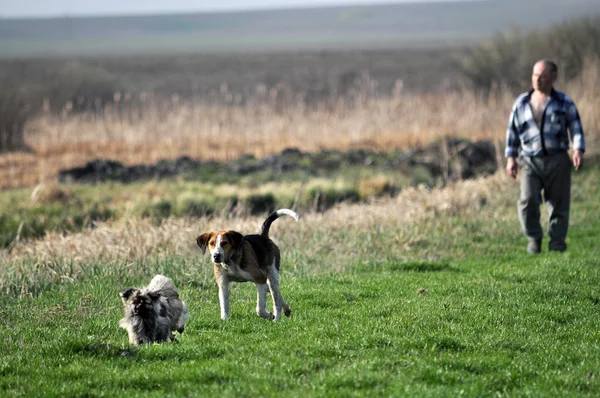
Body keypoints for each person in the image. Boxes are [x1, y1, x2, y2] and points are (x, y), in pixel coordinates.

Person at [505, 59, 585, 254]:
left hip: (557, 159)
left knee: (559, 203)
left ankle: (557, 244)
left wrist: (578, 150)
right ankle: (534, 238)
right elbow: (512, 132)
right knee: (528, 200)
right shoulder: (521, 103)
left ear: (553, 78)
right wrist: (511, 158)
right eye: (535, 75)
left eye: (542, 76)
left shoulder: (564, 102)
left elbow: (575, 127)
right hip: (529, 161)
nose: (537, 79)